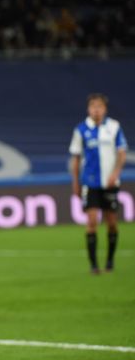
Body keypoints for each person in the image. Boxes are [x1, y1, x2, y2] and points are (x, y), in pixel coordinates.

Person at [69, 93, 128, 274]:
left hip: (110, 183)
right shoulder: (81, 130)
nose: (96, 110)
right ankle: (94, 265)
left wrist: (116, 173)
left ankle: (110, 261)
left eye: (99, 106)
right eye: (93, 106)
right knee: (92, 221)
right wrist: (76, 183)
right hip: (90, 182)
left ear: (105, 109)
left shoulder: (114, 127)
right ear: (88, 109)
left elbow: (121, 153)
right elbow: (76, 159)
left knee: (111, 223)